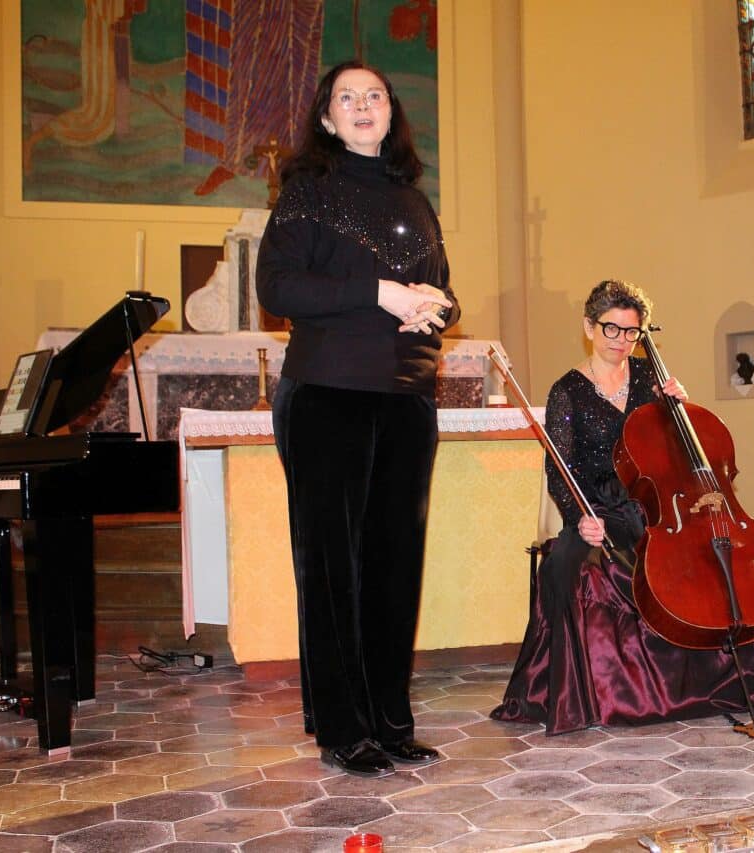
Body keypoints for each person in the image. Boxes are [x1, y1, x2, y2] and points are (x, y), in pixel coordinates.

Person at [492, 280, 754, 736]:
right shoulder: (567, 392)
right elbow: (561, 469)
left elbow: (680, 456)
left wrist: (680, 409)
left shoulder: (652, 384)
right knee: (565, 570)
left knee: (718, 563)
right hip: (599, 508)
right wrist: (580, 520)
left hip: (657, 509)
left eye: (632, 333)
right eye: (611, 329)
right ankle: (595, 697)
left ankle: (740, 682)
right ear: (590, 328)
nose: (621, 341)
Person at [256, 60, 459, 778]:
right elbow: (276, 286)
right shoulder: (308, 193)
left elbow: (444, 294)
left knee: (393, 567)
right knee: (334, 570)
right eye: (348, 98)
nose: (363, 106)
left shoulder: (413, 198)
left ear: (390, 111)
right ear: (326, 118)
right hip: (329, 395)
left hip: (406, 399)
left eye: (375, 95)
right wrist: (381, 292)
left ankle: (390, 720)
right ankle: (345, 728)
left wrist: (436, 307)